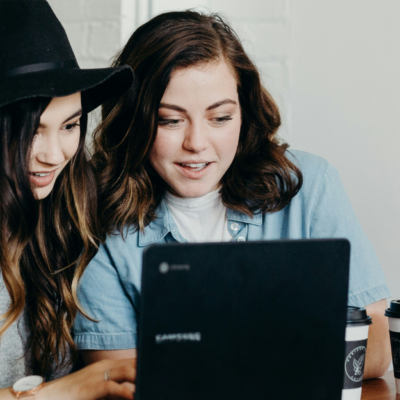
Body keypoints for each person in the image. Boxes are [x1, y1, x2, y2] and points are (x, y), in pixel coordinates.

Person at [74, 11, 391, 380]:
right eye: (170, 120)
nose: (196, 143)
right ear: (134, 120)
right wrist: (287, 353)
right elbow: (116, 378)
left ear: (244, 112)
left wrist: (208, 365)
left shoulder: (309, 186)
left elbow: (375, 349)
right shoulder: (98, 216)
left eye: (220, 118)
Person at [0, 0, 136, 398]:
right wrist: (75, 388)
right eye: (33, 130)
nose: (55, 154)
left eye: (70, 124)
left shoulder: (67, 213)